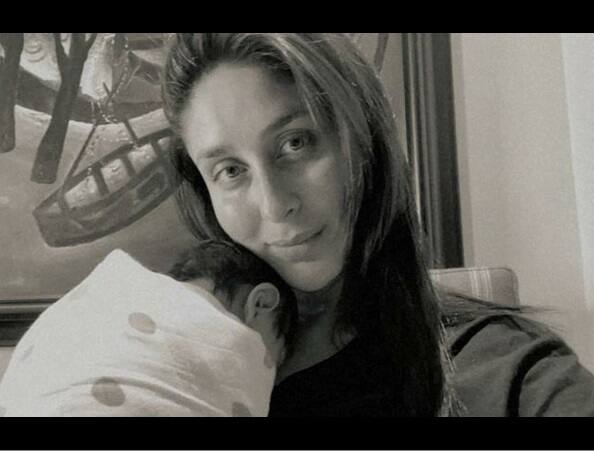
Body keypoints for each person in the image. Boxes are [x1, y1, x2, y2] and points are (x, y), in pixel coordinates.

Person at [161, 33, 594, 416]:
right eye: (230, 171)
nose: (274, 206)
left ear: (362, 139)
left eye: (296, 143)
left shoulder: (502, 369)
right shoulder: (170, 370)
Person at [0, 241, 298, 416]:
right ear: (261, 303)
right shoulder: (210, 330)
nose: (266, 377)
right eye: (271, 359)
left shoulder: (104, 299)